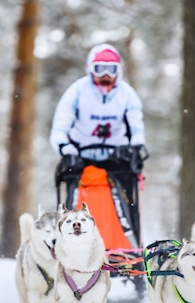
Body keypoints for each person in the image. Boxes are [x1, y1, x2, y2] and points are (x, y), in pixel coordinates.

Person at [50, 43, 147, 248]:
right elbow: (60, 126)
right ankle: (71, 247)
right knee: (73, 198)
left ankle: (130, 247)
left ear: (118, 71)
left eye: (111, 69)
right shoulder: (77, 91)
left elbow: (136, 127)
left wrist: (135, 147)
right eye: (99, 68)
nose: (105, 75)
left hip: (117, 158)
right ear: (90, 69)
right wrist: (65, 149)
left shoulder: (127, 94)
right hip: (81, 158)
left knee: (127, 197)